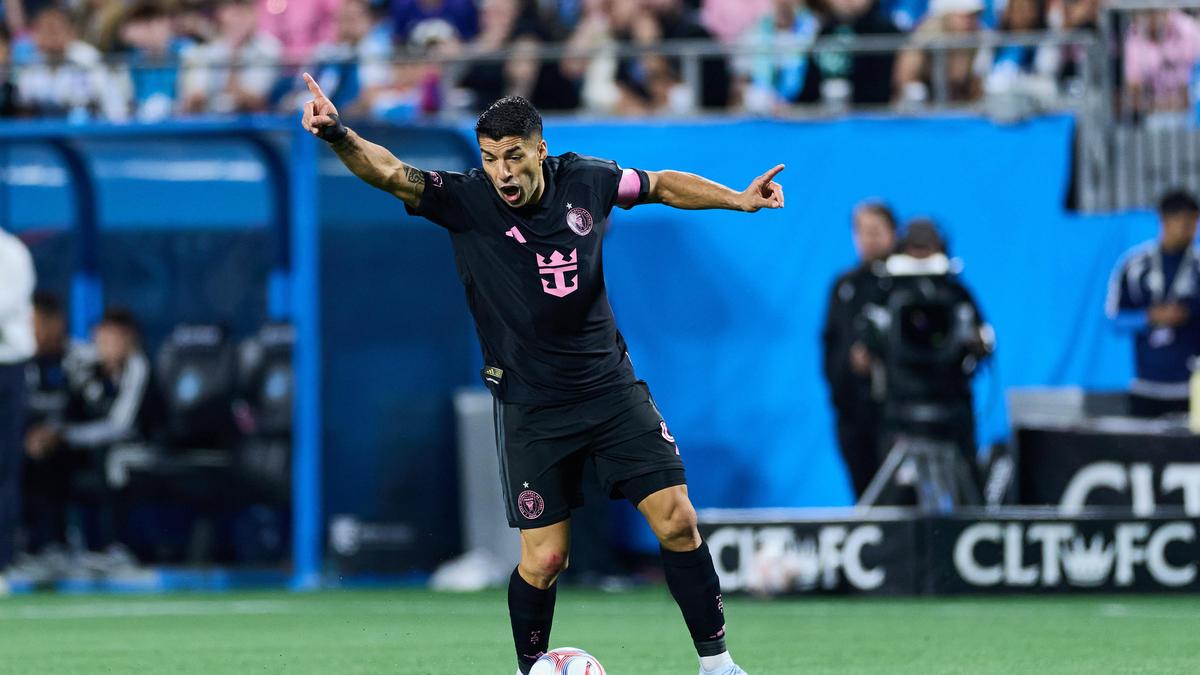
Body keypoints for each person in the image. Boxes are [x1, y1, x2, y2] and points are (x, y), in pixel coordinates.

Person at [302, 77, 783, 675]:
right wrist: (338, 134)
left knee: (678, 520)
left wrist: (738, 199)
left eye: (512, 156)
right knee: (546, 558)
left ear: (540, 149)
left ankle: (718, 666)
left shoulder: (588, 179)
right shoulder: (466, 200)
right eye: (489, 158)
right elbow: (391, 173)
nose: (501, 172)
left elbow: (658, 184)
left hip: (610, 389)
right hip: (532, 406)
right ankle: (530, 669)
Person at [859, 218, 994, 500]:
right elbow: (864, 349)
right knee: (896, 503)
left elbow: (982, 341)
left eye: (927, 247)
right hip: (900, 412)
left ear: (940, 248)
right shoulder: (886, 292)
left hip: (951, 411)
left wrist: (975, 343)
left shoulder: (956, 293)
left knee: (968, 502)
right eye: (915, 248)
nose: (920, 254)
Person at [821, 201, 897, 499]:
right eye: (863, 231)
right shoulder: (844, 286)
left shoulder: (906, 285)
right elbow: (830, 345)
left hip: (896, 414)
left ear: (893, 232)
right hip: (853, 415)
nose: (869, 239)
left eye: (876, 231)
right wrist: (849, 369)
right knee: (864, 495)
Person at [1106, 189, 1200, 418]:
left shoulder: (1197, 267)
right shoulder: (1135, 265)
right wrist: (1148, 318)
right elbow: (1113, 318)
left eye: (1194, 222)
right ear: (1164, 220)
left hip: (1191, 386)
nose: (1189, 229)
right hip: (1146, 387)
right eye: (1183, 221)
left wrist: (1187, 314)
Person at [21, 292, 88, 562]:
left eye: (36, 324)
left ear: (56, 323)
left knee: (53, 461)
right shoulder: (19, 361)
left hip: (73, 445)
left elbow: (81, 407)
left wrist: (56, 432)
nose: (30, 333)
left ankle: (58, 543)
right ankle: (24, 545)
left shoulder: (80, 358)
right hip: (28, 443)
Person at [0, 224, 35, 593]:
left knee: (4, 467)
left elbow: (6, 304)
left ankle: (1, 562)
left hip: (6, 368)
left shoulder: (10, 251)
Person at [180, 0, 283, 115]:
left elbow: (256, 101)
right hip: (207, 120)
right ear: (221, 14)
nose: (238, 19)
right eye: (232, 10)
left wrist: (235, 55)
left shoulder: (268, 49)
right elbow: (194, 99)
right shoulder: (199, 50)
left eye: (243, 11)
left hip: (250, 122)